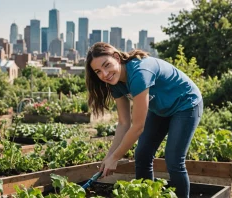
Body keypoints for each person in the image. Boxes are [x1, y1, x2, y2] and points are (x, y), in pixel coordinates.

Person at [85, 42, 203, 198]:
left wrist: (116, 157)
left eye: (107, 65)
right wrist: (109, 157)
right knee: (142, 154)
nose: (105, 74)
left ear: (116, 57)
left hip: (186, 104)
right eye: (98, 71)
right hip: (160, 109)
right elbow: (124, 123)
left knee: (174, 159)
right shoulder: (114, 83)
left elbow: (138, 127)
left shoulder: (139, 73)